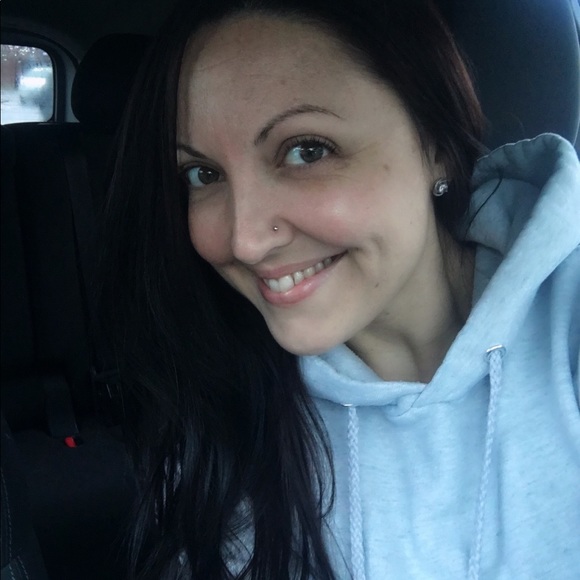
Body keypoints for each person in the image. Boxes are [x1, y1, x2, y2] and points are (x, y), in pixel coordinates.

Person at [98, 0, 580, 578]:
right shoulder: (216, 419)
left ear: (435, 143)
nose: (245, 241)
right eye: (203, 174)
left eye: (307, 150)